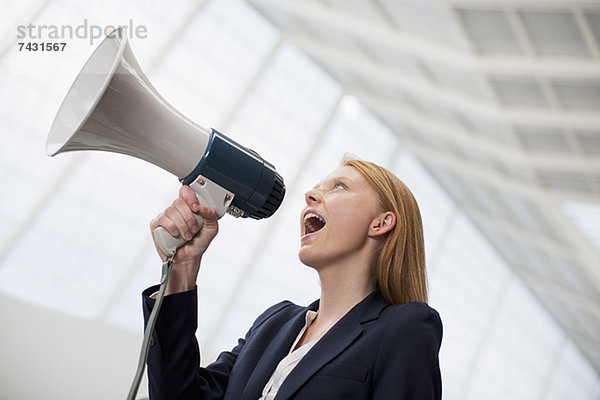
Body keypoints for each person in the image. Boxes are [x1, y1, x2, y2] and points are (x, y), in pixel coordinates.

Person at [142, 156, 443, 400]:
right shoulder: (273, 324)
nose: (310, 194)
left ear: (381, 223)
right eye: (317, 187)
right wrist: (182, 269)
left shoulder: (406, 328)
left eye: (339, 186)